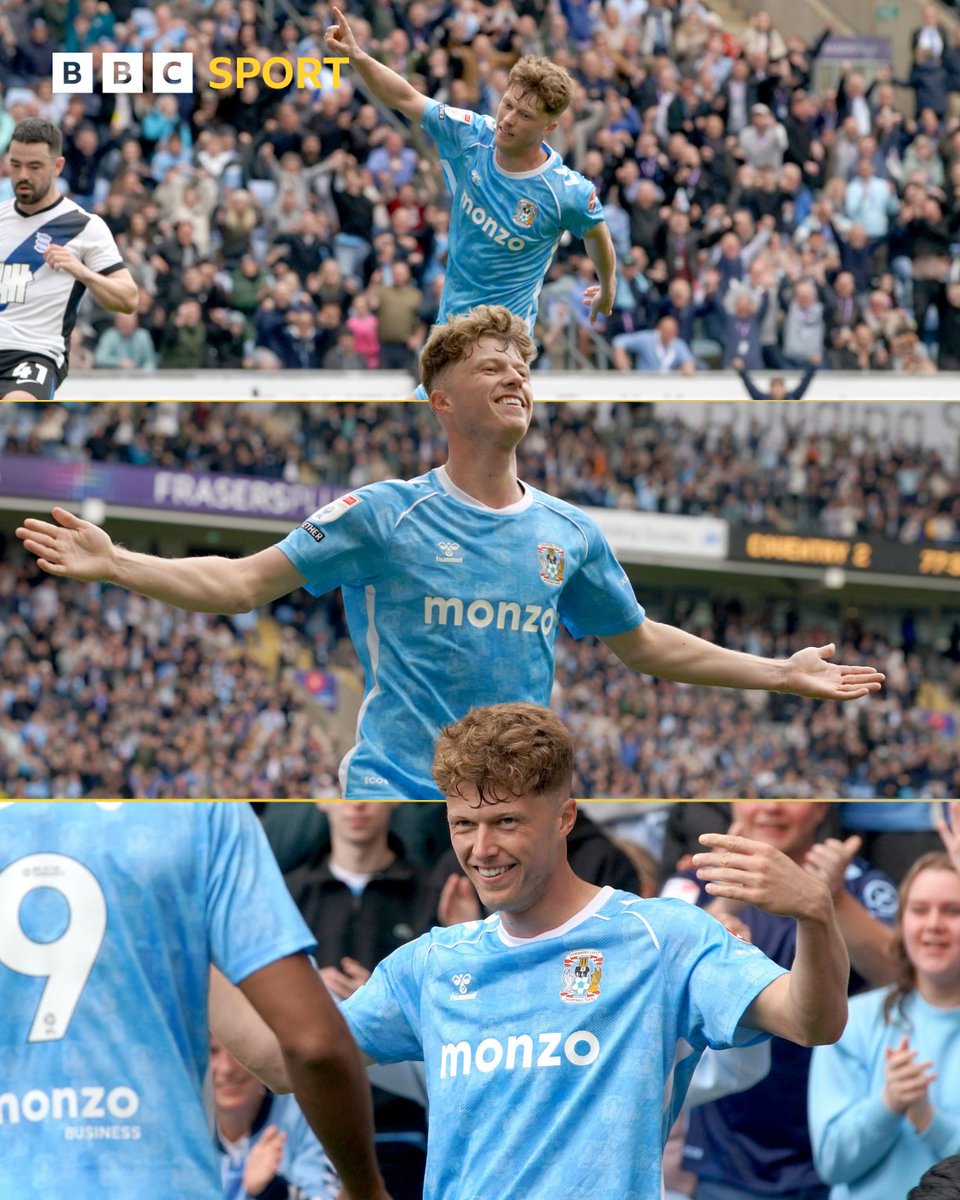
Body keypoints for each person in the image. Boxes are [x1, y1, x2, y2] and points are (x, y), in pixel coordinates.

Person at [16, 306, 885, 800]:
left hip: (522, 803)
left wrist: (779, 672)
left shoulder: (570, 533)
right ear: (440, 400)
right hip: (398, 792)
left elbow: (645, 642)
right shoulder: (383, 514)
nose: (516, 378)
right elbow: (242, 582)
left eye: (522, 368)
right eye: (492, 367)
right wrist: (118, 562)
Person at [212, 702, 850, 1200]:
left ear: (565, 817)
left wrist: (815, 915)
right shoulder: (429, 964)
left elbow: (812, 1021)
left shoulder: (662, 937)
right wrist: (190, 939)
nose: (481, 849)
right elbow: (283, 1064)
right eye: (464, 824)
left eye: (507, 822)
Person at [0, 802, 388, 1200]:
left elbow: (287, 1053)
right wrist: (365, 1188)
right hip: (157, 1181)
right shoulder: (206, 818)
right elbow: (311, 1044)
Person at [324, 8, 616, 332]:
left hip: (506, 338)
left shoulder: (565, 192)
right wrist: (357, 56)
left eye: (525, 115)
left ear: (549, 127)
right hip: (451, 328)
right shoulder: (471, 134)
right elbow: (404, 97)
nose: (507, 120)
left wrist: (608, 285)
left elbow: (596, 232)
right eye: (507, 104)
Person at [665, 803, 900, 1200]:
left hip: (835, 1142)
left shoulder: (858, 882)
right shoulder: (697, 875)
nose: (772, 807)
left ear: (821, 806)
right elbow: (661, 975)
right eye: (755, 795)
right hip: (727, 1150)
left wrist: (832, 901)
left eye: (790, 797)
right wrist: (725, 901)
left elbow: (901, 974)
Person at [285, 802, 436, 1199]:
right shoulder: (288, 896)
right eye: (343, 788)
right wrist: (300, 991)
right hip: (302, 1127)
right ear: (320, 797)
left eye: (370, 787)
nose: (357, 802)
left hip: (405, 1128)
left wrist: (385, 1006)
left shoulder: (431, 894)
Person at [808, 850, 960, 1200]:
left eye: (952, 910)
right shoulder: (852, 1019)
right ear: (901, 922)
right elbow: (831, 1162)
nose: (934, 924)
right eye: (919, 910)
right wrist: (889, 1103)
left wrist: (928, 1119)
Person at [0, 118, 138, 398]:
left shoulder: (84, 226)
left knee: (16, 401)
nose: (23, 175)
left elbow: (128, 299)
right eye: (16, 165)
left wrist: (81, 272)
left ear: (58, 166)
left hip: (33, 354)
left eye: (34, 166)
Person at [211, 1038, 340, 1200]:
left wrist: (273, 1190)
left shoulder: (307, 1114)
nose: (227, 1068)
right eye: (212, 1051)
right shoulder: (185, 1133)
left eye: (237, 1051)